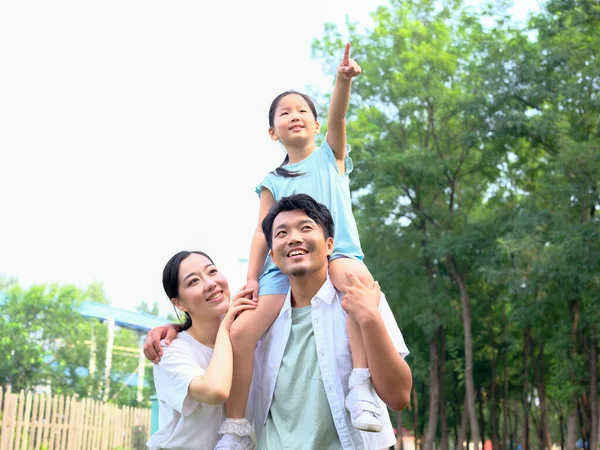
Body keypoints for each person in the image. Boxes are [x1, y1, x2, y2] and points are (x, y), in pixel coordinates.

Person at [215, 41, 389, 447]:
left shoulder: (330, 155)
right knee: (241, 333)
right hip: (283, 268)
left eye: (302, 112)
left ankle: (361, 387)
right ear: (273, 131)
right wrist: (253, 278)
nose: (295, 116)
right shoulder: (273, 181)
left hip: (337, 254)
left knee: (354, 290)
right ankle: (237, 428)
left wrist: (342, 80)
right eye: (284, 112)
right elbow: (262, 230)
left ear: (315, 125)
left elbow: (339, 114)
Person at [145, 194, 413, 449]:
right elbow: (214, 341)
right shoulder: (257, 324)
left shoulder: (358, 298)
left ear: (330, 244)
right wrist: (176, 327)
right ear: (272, 256)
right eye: (281, 233)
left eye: (306, 228)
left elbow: (399, 397)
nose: (294, 238)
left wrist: (369, 319)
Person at [146, 251, 257, 450]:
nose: (210, 283)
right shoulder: (169, 351)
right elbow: (215, 391)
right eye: (194, 281)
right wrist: (224, 328)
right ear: (178, 303)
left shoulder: (247, 333)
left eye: (212, 271)